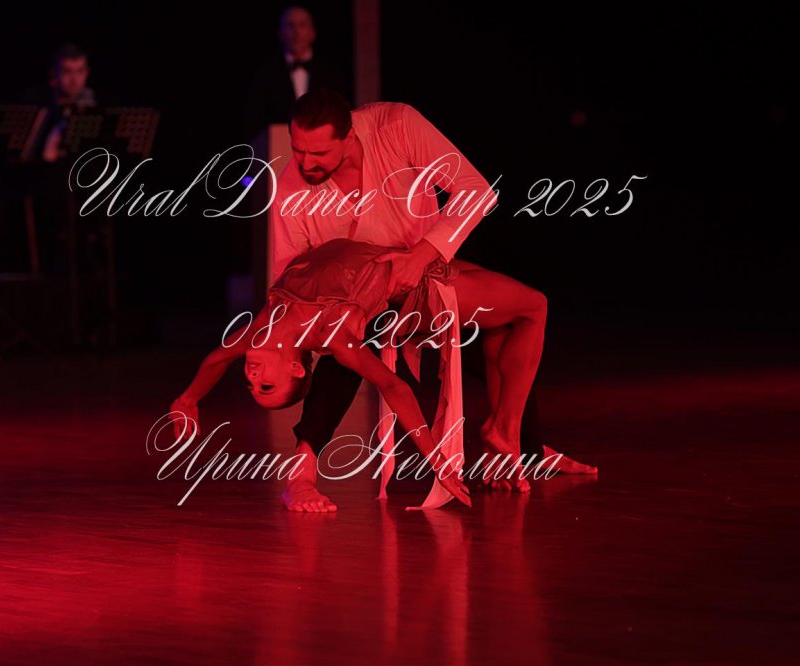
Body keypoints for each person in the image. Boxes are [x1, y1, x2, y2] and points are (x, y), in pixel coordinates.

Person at [266, 89, 596, 512]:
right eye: (298, 150)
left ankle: (519, 448)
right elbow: (291, 276)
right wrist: (295, 346)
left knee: (506, 323)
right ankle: (300, 475)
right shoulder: (291, 187)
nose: (305, 163)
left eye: (318, 153)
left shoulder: (395, 126)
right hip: (358, 306)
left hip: (426, 278)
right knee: (344, 352)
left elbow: (475, 191)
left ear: (348, 136)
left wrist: (420, 255)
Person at [172, 236, 558, 510]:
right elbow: (393, 386)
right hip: (421, 292)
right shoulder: (333, 334)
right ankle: (504, 431)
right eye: (266, 386)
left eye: (251, 384)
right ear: (295, 367)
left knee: (504, 320)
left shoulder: (261, 328)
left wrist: (187, 400)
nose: (253, 376)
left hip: (405, 255)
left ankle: (510, 442)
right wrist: (437, 460)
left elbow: (215, 360)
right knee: (533, 306)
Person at [246, 6, 347, 138]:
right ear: (280, 33)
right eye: (290, 25)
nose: (296, 31)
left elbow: (339, 113)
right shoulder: (266, 74)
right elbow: (255, 119)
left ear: (312, 32)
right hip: (279, 144)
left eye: (302, 25)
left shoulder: (330, 73)